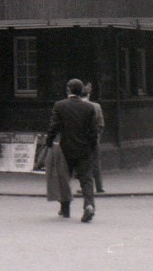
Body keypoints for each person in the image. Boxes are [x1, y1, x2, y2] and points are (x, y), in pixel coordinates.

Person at [45, 78, 100, 222]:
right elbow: (93, 131)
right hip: (84, 149)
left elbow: (54, 126)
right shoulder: (89, 108)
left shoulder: (60, 106)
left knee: (63, 178)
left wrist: (49, 142)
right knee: (86, 179)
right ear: (81, 91)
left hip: (65, 149)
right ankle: (89, 205)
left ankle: (65, 208)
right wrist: (92, 147)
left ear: (68, 90)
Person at [82, 81, 105, 194]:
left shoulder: (76, 106)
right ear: (89, 94)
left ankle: (86, 187)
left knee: (83, 164)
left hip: (80, 139)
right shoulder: (97, 106)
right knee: (96, 163)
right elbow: (101, 124)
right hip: (94, 138)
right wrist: (97, 136)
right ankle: (99, 187)